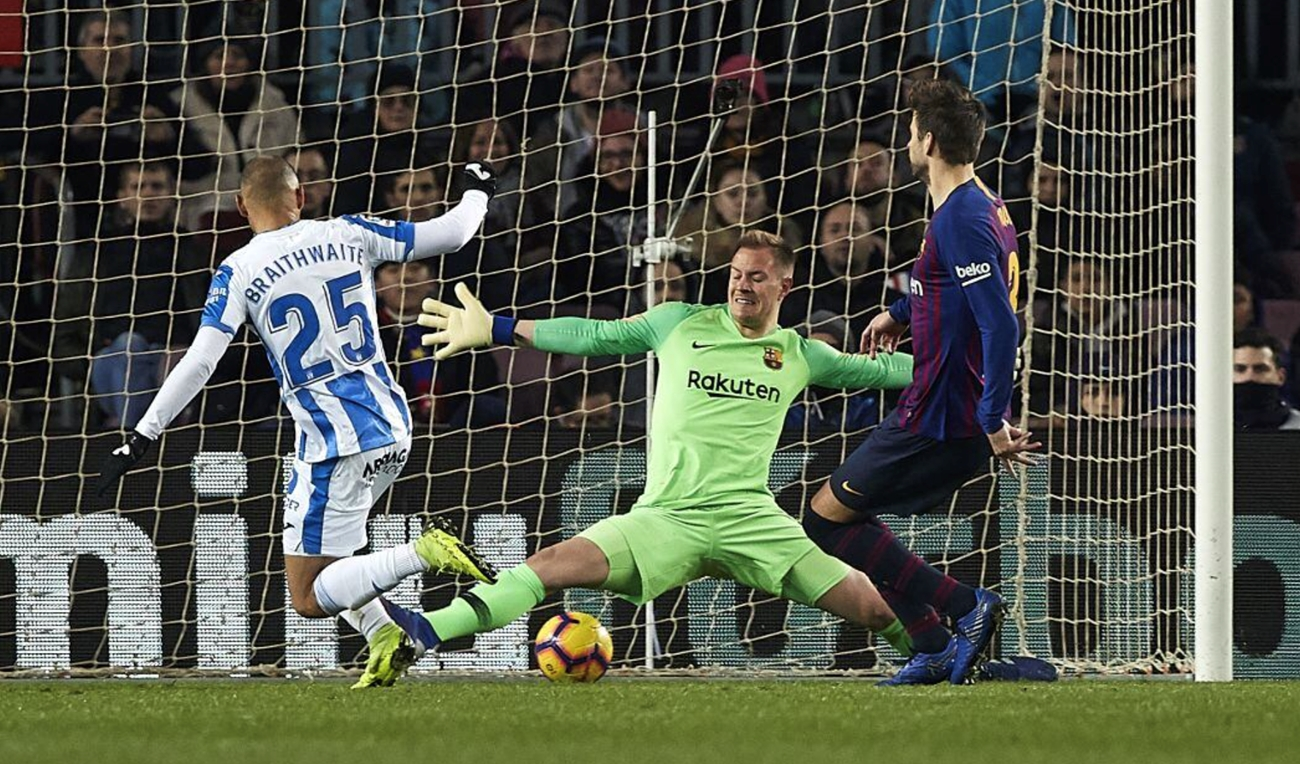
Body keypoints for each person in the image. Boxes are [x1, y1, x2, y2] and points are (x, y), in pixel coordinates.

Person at [370, 231, 918, 682]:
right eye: (735, 274)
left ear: (784, 284)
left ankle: (938, 653)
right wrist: (500, 328)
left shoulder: (800, 353)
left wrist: (979, 372)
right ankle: (424, 631)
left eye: (756, 276)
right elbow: (597, 336)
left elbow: (889, 371)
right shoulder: (679, 322)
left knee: (876, 610)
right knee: (547, 566)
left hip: (752, 520)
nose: (742, 286)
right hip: (666, 518)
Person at [94, 155, 502, 688]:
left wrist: (142, 434)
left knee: (308, 595)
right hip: (394, 424)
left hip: (335, 441)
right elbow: (452, 233)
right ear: (302, 197)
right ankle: (385, 635)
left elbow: (199, 361)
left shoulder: (238, 269)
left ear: (241, 207)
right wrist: (479, 191)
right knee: (338, 559)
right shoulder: (351, 231)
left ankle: (421, 551)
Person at [801, 79, 1039, 686]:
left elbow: (1000, 323)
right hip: (938, 401)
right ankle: (932, 643)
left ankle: (963, 608)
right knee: (851, 518)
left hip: (942, 411)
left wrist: (992, 421)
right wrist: (899, 313)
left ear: (927, 140)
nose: (907, 137)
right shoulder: (979, 200)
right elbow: (950, 288)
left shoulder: (960, 217)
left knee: (827, 522)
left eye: (910, 129)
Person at [52, 161, 208, 428]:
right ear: (122, 197)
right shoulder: (95, 253)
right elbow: (65, 334)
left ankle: (129, 435)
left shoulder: (192, 251)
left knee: (169, 359)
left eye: (156, 187)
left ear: (172, 195)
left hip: (172, 361)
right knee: (130, 346)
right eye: (138, 187)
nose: (147, 194)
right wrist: (88, 363)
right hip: (110, 360)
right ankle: (146, 435)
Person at [1233, 328, 1300, 430]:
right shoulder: (1205, 429)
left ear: (1281, 377)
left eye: (1260, 369)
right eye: (1240, 369)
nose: (1250, 377)